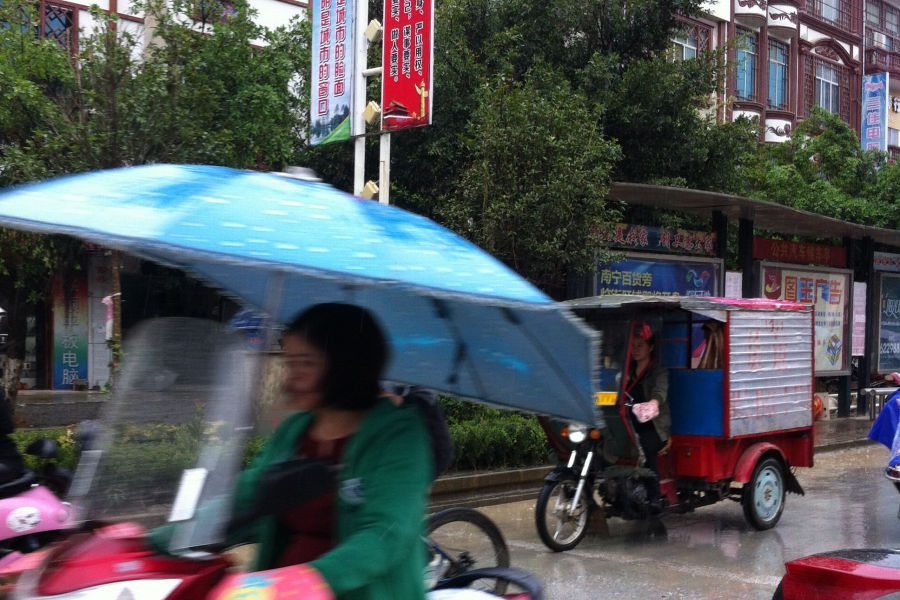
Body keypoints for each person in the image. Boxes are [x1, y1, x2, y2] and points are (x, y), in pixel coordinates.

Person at [231, 303, 433, 600]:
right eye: (290, 364)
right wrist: (171, 536)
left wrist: (310, 581)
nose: (292, 378)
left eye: (306, 364)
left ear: (345, 364)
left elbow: (386, 533)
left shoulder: (399, 435)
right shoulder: (295, 430)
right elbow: (249, 493)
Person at [626, 323, 670, 512]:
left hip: (654, 426)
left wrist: (653, 404)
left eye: (640, 345)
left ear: (650, 348)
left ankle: (654, 498)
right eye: (633, 346)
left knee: (643, 446)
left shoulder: (658, 371)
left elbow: (659, 392)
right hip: (629, 423)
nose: (635, 350)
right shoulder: (627, 371)